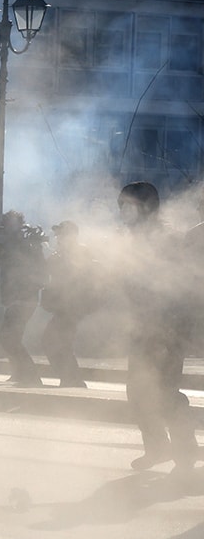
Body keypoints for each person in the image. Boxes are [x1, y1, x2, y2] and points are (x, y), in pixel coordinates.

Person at [115, 182, 197, 474]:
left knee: (165, 392)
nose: (122, 211)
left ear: (146, 207)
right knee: (137, 392)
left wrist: (169, 332)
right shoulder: (132, 239)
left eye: (127, 205)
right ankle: (157, 448)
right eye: (120, 206)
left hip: (167, 330)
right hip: (142, 330)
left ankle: (186, 455)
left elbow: (179, 286)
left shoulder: (167, 239)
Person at [0, 210, 47, 386]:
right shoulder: (16, 244)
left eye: (11, 224)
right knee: (12, 338)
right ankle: (20, 374)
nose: (8, 228)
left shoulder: (20, 244)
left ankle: (31, 376)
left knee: (7, 338)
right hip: (19, 299)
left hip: (23, 299)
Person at [39, 220, 96, 388]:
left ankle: (72, 379)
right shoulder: (59, 254)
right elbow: (48, 272)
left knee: (55, 340)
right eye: (58, 235)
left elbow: (79, 274)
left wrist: (61, 256)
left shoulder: (81, 251)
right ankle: (70, 378)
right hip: (62, 306)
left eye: (61, 234)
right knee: (55, 341)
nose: (58, 238)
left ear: (72, 235)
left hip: (74, 305)